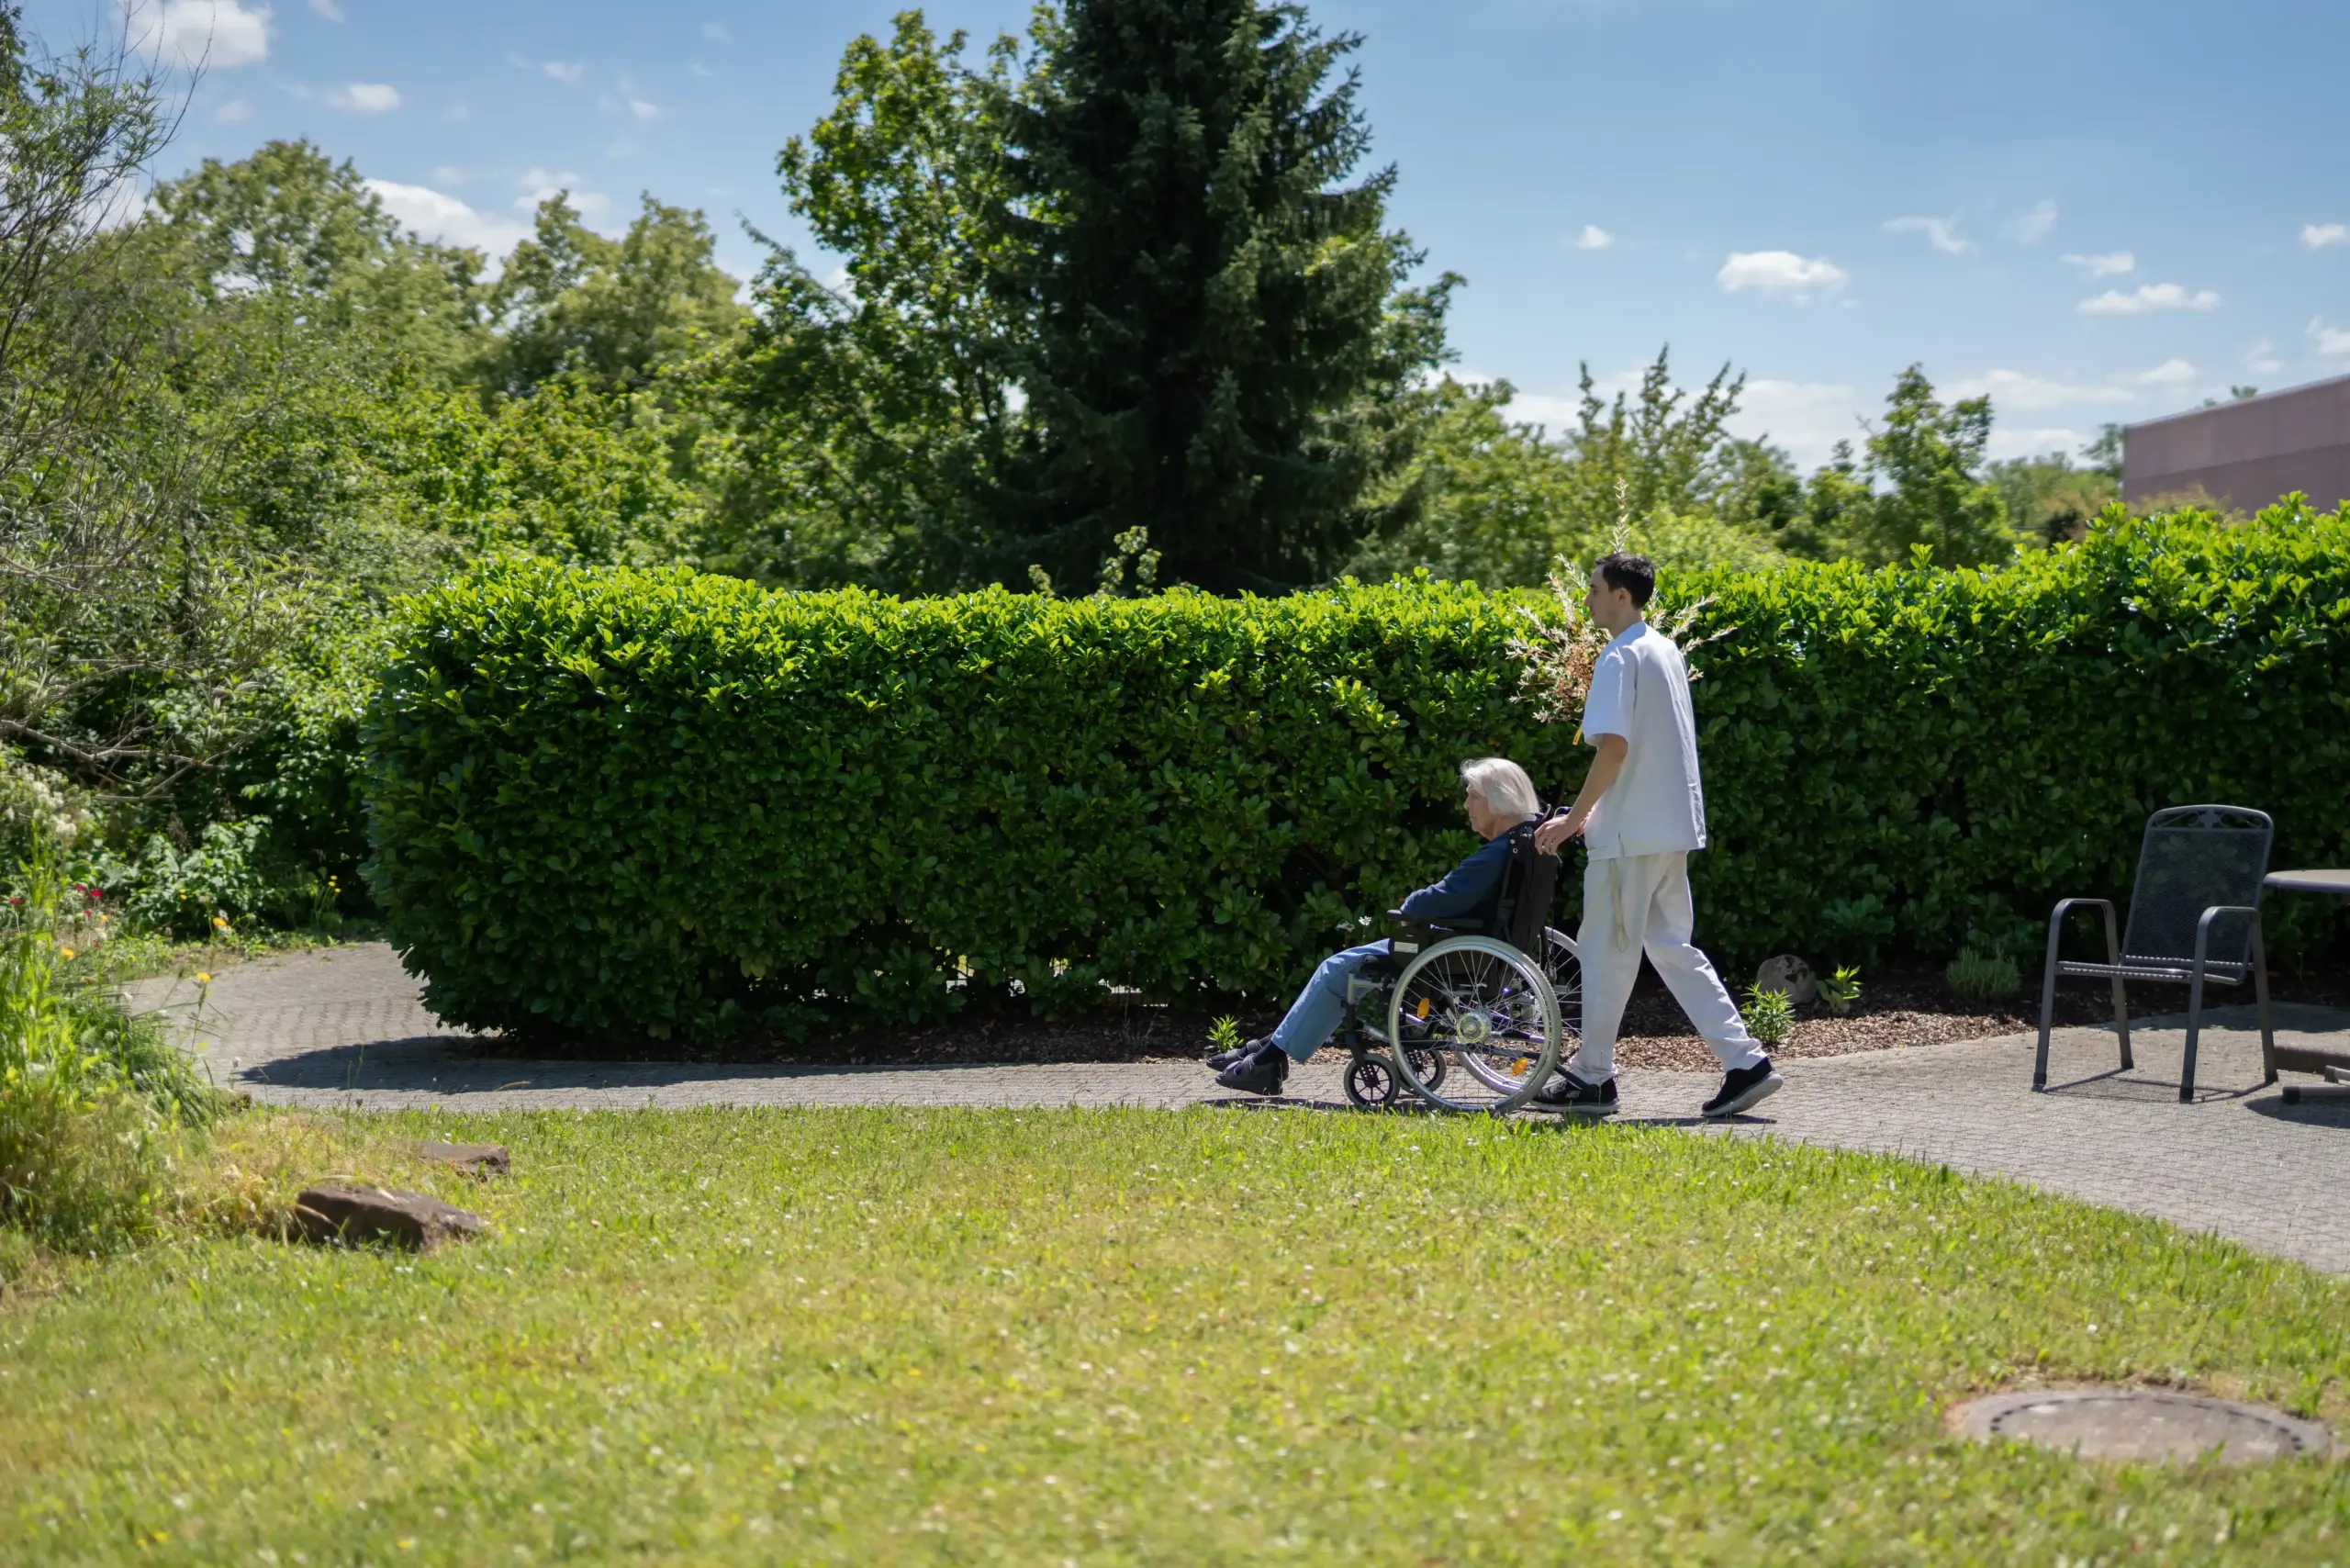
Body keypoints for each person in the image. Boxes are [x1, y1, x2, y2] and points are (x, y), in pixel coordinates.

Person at [1531, 552, 1782, 1120]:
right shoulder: (1665, 650)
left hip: (1629, 834)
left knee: (1603, 954)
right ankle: (1746, 1063)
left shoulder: (1620, 657)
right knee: (1672, 949)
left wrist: (1574, 820)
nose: (1589, 599)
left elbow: (1614, 747)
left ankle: (1594, 1078)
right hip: (1670, 829)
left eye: (1595, 590)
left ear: (1623, 595)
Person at [1210, 757, 1548, 1096]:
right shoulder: (1517, 847)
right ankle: (1270, 1049)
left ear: (1499, 800)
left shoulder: (1495, 855)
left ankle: (1268, 1058)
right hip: (1473, 948)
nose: (1465, 804)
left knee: (1338, 968)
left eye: (1472, 795)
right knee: (1341, 967)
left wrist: (1409, 906)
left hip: (1449, 951)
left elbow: (1434, 900)